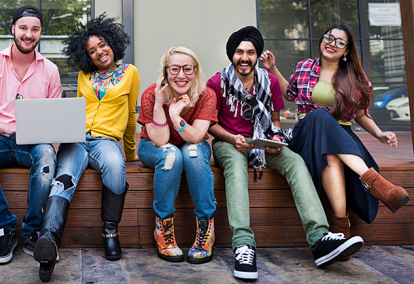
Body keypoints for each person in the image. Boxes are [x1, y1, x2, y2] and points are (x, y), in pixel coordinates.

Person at [206, 26, 364, 280]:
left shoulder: (267, 82)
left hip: (264, 140)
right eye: (239, 52)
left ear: (257, 55)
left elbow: (276, 119)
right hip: (230, 141)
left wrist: (275, 139)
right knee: (236, 170)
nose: (244, 57)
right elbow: (210, 123)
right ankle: (243, 245)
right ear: (231, 55)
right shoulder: (216, 83)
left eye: (250, 52)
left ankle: (319, 238)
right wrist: (233, 138)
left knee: (296, 162)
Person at [262, 24, 409, 238]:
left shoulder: (356, 77)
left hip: (341, 136)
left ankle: (341, 225)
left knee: (330, 153)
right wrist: (273, 69)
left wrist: (379, 134)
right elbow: (290, 93)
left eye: (340, 41)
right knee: (321, 115)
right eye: (329, 38)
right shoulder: (305, 67)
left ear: (347, 50)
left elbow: (360, 114)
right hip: (307, 133)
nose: (332, 43)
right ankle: (376, 183)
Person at [32, 14, 139, 282]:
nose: (99, 52)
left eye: (102, 45)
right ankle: (49, 242)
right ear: (86, 56)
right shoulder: (85, 74)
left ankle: (111, 232)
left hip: (106, 141)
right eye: (92, 50)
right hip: (77, 138)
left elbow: (130, 115)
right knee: (61, 180)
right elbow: (77, 109)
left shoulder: (130, 73)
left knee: (116, 166)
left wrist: (130, 151)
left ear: (112, 43)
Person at [0, 6, 61, 265]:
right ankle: (4, 229)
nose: (28, 34)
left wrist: (47, 130)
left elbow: (54, 118)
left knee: (46, 154)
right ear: (13, 30)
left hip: (32, 143)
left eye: (34, 29)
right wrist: (9, 127)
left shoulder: (50, 70)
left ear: (40, 32)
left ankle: (32, 230)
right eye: (23, 28)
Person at [137, 47, 217, 264]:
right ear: (165, 71)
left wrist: (176, 116)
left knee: (192, 154)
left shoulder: (206, 95)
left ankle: (205, 228)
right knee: (171, 154)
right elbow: (161, 140)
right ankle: (163, 228)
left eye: (187, 69)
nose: (181, 75)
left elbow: (197, 136)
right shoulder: (150, 94)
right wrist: (160, 103)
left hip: (191, 142)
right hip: (152, 146)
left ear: (195, 71)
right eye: (174, 69)